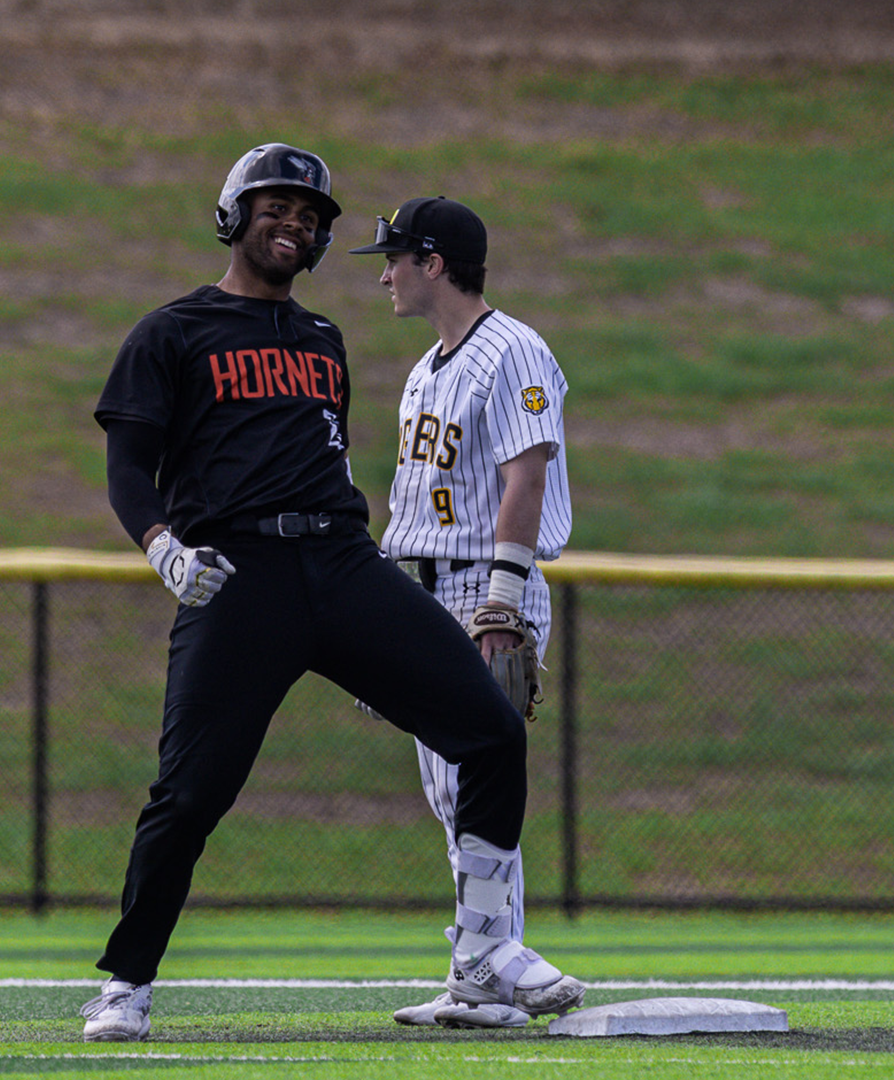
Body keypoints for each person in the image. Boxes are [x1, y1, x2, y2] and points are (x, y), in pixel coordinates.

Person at [79, 145, 584, 1042]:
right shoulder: (172, 331)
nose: (296, 224)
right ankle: (126, 981)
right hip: (239, 576)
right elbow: (126, 467)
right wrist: (161, 546)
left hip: (346, 562)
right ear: (235, 213)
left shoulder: (322, 339)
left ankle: (483, 955)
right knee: (191, 793)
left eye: (311, 216)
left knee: (492, 729)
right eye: (277, 206)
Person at [348, 196, 574, 1029]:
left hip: (484, 588)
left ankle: (488, 959)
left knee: (472, 775)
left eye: (395, 258)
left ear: (433, 263)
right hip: (421, 587)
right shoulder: (426, 369)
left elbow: (527, 479)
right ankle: (481, 970)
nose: (385, 274)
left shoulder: (513, 350)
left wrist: (502, 604)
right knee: (451, 794)